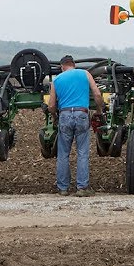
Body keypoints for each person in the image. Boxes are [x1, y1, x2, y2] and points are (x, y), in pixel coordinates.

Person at [49, 54, 105, 196]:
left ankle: (63, 188)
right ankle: (82, 188)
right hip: (81, 114)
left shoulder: (57, 80)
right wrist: (99, 111)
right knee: (82, 153)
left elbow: (51, 105)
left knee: (63, 154)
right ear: (73, 64)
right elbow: (97, 95)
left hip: (65, 115)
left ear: (62, 67)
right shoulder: (85, 74)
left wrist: (55, 117)